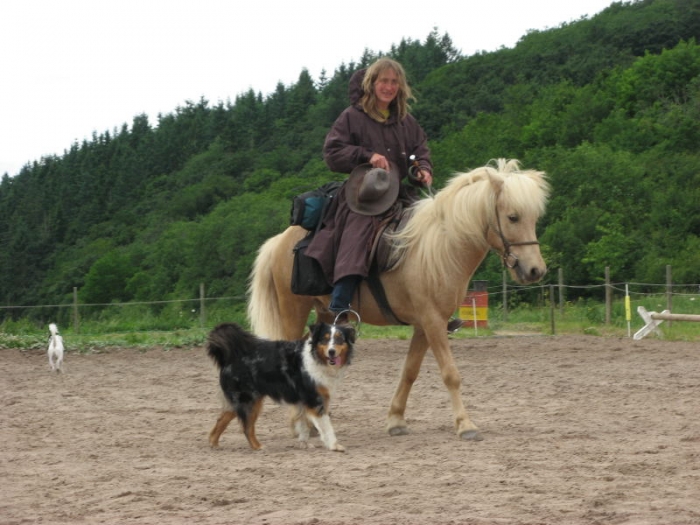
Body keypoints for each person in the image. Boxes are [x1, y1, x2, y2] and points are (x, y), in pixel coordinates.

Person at [306, 57, 462, 332]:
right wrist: (366, 155)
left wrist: (422, 170)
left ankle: (437, 304)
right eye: (384, 81)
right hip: (362, 196)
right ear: (372, 83)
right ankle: (340, 303)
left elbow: (420, 151)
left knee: (435, 226)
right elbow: (333, 153)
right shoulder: (352, 117)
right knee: (359, 232)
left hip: (399, 194)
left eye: (394, 82)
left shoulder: (406, 121)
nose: (389, 87)